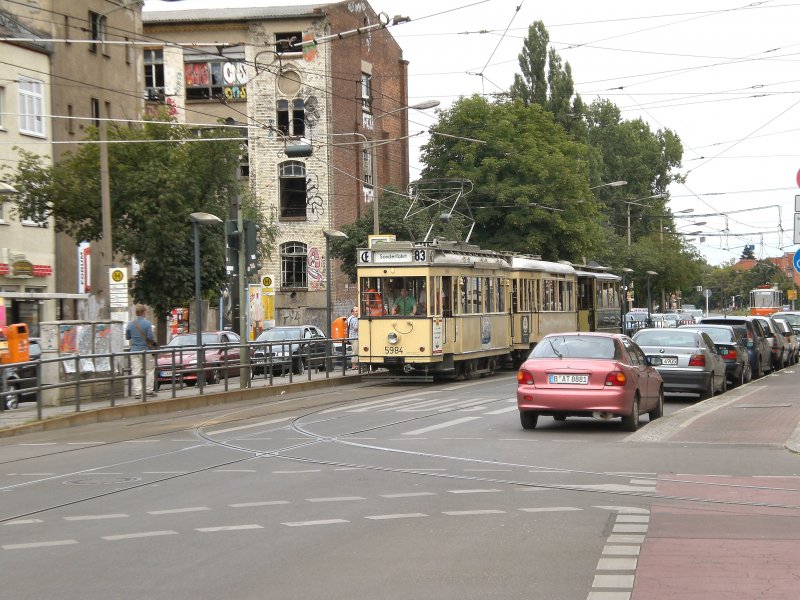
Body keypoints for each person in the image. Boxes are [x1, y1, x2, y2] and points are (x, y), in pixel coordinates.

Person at [125, 304, 157, 399]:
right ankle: (148, 390)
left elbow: (127, 337)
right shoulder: (147, 323)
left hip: (134, 351)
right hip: (146, 350)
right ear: (143, 312)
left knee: (136, 371)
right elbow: (150, 337)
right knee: (149, 370)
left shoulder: (130, 323)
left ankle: (137, 392)